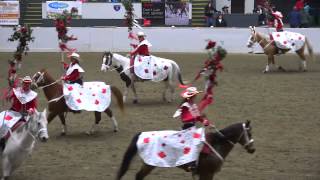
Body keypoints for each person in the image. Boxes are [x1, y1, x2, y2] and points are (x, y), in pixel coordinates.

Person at [173, 87, 211, 173]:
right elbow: (185, 119)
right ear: (191, 96)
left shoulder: (193, 105)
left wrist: (205, 121)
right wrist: (196, 117)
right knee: (193, 144)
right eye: (195, 95)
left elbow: (198, 117)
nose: (196, 97)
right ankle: (190, 164)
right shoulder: (185, 106)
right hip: (187, 128)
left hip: (193, 128)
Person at [0, 76, 38, 150]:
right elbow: (9, 97)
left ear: (30, 84)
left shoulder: (32, 95)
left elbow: (33, 107)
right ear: (23, 83)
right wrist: (9, 94)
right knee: (3, 120)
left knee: (14, 125)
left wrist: (30, 110)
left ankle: (4, 140)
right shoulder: (17, 91)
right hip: (12, 112)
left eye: (28, 84)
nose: (26, 85)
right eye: (25, 83)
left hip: (23, 115)